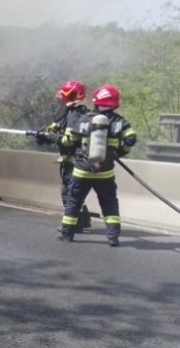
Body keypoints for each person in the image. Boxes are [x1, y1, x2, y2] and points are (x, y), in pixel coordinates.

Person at [57, 84, 137, 245]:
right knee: (109, 204)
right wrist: (120, 152)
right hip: (105, 173)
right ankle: (113, 237)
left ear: (96, 101)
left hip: (82, 171)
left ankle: (67, 234)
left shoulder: (84, 118)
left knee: (73, 202)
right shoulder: (119, 122)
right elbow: (131, 138)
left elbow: (72, 140)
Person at [35, 80, 91, 231]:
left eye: (63, 96)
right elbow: (63, 130)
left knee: (69, 193)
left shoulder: (74, 115)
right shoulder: (80, 112)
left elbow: (69, 142)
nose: (61, 99)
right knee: (75, 192)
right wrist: (48, 133)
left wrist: (51, 137)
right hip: (80, 161)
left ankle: (75, 225)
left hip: (73, 162)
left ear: (70, 96)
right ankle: (84, 219)